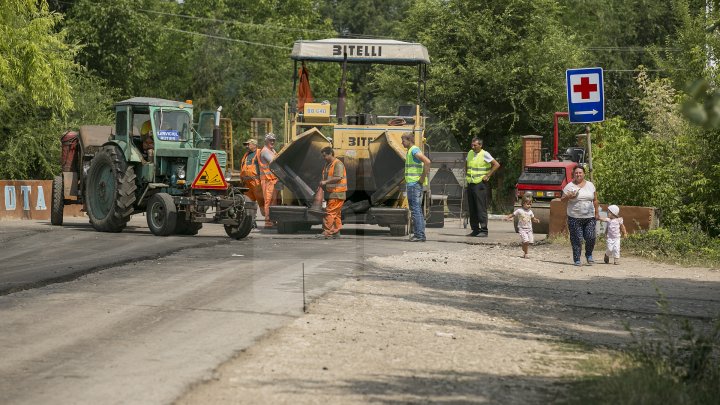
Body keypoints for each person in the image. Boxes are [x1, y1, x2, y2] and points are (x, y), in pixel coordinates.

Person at [561, 166, 600, 266]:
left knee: (591, 237)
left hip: (590, 217)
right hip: (574, 217)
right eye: (576, 173)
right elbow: (562, 200)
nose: (578, 174)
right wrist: (569, 196)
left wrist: (597, 213)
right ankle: (577, 259)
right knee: (577, 238)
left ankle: (589, 255)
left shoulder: (590, 185)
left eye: (580, 173)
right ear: (573, 174)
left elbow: (595, 200)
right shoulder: (569, 186)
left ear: (584, 174)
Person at [465, 137, 500, 237]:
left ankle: (484, 230)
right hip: (471, 183)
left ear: (480, 145)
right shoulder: (470, 153)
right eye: (472, 145)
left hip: (480, 184)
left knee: (481, 208)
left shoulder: (485, 154)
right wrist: (467, 175)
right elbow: (466, 164)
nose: (473, 147)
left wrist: (488, 175)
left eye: (475, 145)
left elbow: (496, 164)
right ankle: (475, 229)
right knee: (472, 208)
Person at [400, 132, 431, 242]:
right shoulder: (411, 151)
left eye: (403, 140)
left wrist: (422, 178)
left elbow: (427, 161)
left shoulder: (414, 150)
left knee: (416, 210)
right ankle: (420, 234)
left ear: (409, 140)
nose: (402, 143)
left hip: (414, 184)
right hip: (413, 184)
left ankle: (419, 235)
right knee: (417, 210)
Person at [316, 147, 347, 239]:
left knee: (330, 212)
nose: (324, 157)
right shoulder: (328, 164)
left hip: (337, 193)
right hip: (333, 193)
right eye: (323, 156)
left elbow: (338, 177)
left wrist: (325, 182)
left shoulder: (338, 164)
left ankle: (326, 231)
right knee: (336, 214)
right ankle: (336, 232)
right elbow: (326, 177)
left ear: (331, 154)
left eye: (325, 155)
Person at [240, 138, 263, 228]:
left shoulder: (259, 153)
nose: (246, 146)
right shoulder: (246, 155)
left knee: (262, 203)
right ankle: (252, 220)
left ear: (254, 145)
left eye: (248, 144)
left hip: (256, 182)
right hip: (247, 182)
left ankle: (269, 221)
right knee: (249, 203)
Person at [258, 133, 278, 229]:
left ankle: (273, 220)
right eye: (270, 140)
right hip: (267, 180)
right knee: (268, 201)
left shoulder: (272, 150)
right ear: (266, 141)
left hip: (273, 180)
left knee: (274, 201)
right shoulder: (265, 151)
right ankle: (268, 222)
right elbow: (274, 162)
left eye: (273, 140)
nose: (272, 141)